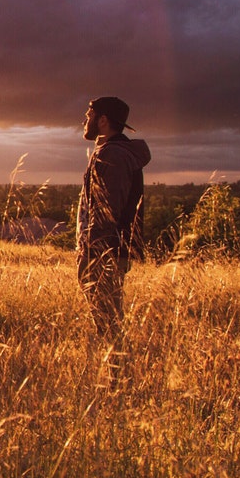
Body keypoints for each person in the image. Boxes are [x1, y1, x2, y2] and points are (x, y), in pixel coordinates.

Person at [77, 97, 152, 339]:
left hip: (103, 251)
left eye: (89, 116)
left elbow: (109, 210)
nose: (84, 121)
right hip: (103, 249)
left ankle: (116, 368)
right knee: (106, 319)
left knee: (108, 321)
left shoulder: (114, 156)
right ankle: (113, 363)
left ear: (103, 120)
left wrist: (95, 249)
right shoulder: (108, 151)